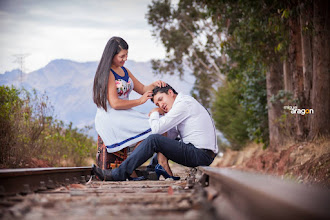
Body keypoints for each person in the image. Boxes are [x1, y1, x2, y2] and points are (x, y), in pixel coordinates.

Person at [92, 84, 218, 181]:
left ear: (170, 93)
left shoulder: (183, 104)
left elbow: (157, 130)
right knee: (160, 139)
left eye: (161, 99)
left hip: (200, 154)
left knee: (154, 139)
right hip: (200, 153)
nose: (161, 105)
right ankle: (152, 171)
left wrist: (154, 113)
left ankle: (117, 174)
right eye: (158, 103)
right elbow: (170, 135)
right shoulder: (183, 104)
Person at [93, 36, 170, 173]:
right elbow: (115, 103)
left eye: (126, 55)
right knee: (155, 126)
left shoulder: (125, 71)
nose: (125, 59)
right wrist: (140, 101)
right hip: (112, 116)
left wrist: (154, 84)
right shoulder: (108, 74)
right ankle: (132, 167)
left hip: (125, 114)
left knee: (160, 124)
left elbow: (142, 88)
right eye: (122, 56)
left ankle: (159, 164)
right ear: (112, 55)